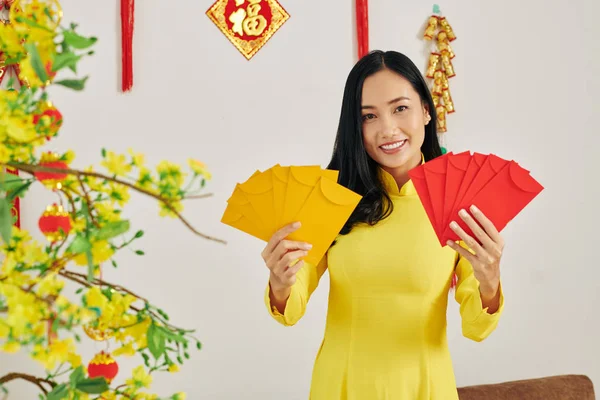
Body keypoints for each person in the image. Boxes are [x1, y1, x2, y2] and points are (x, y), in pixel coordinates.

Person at [261, 50, 504, 399]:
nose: (387, 129)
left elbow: (477, 327)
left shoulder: (459, 201)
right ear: (354, 127)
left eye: (400, 108)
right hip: (341, 386)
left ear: (425, 110)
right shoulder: (330, 198)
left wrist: (490, 279)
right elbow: (290, 309)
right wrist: (279, 281)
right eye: (369, 116)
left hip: (426, 386)